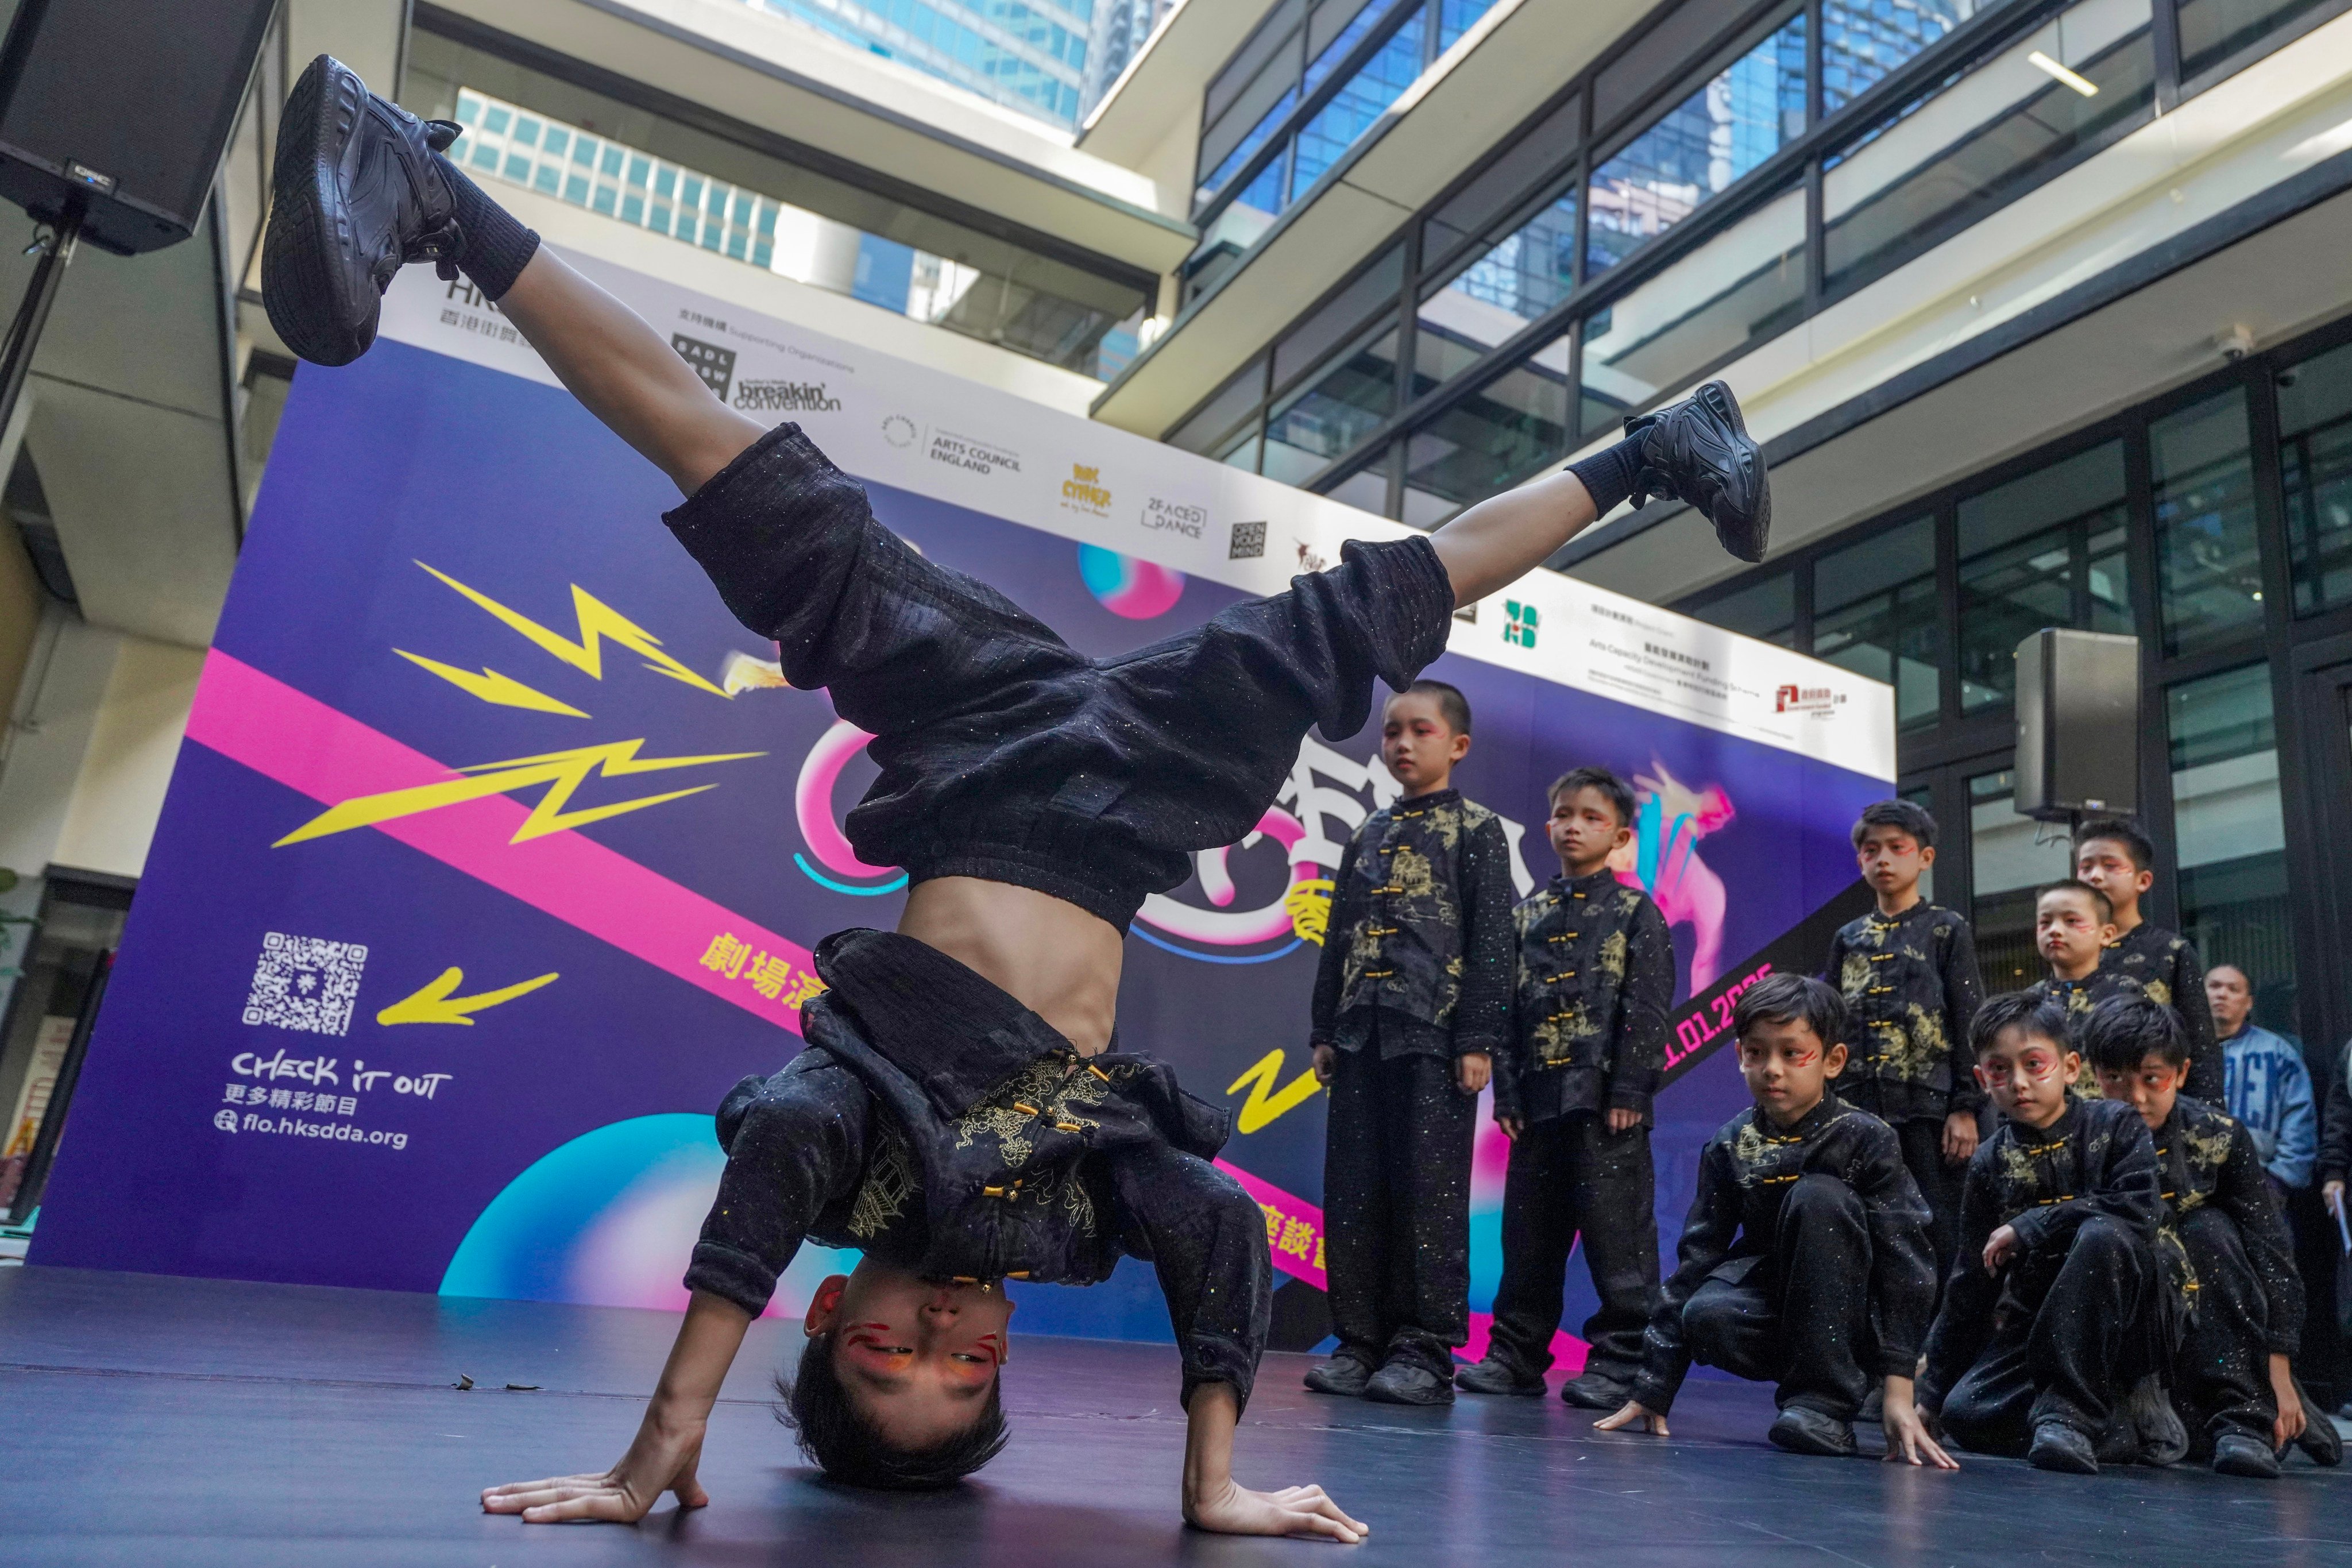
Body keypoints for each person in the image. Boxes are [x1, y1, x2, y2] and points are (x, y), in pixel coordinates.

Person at [263, 56, 1774, 1530]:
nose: (939, 1333)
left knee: (753, 493)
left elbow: (770, 1165)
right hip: (1134, 802)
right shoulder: (1070, 1213)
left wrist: (664, 1435)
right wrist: (1210, 1483)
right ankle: (1656, 449)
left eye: (889, 1357)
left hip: (975, 748)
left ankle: (439, 202)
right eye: (969, 1368)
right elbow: (1216, 1226)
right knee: (1372, 608)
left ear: (828, 1316)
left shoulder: (839, 1160)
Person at [1593, 973, 1951, 1466]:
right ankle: (1810, 1391)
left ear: (1832, 1060)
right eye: (1756, 1053)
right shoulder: (1729, 1144)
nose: (1771, 1070)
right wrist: (1654, 1386)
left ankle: (1824, 1405)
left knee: (1818, 1196)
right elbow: (1697, 1260)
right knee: (1706, 1313)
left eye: (1792, 1053)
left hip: (1857, 1318)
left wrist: (1899, 1389)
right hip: (1780, 1308)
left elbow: (1905, 1265)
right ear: (1739, 1055)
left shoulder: (1866, 1138)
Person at [1302, 681, 1515, 1406]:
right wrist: (1324, 1028)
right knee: (1355, 1191)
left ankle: (1424, 1350)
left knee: (1430, 1194)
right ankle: (1359, 1341)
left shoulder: (1478, 830)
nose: (1401, 743)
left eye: (1420, 731)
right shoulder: (1366, 833)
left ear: (1457, 745)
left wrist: (1477, 1037)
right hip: (1360, 1035)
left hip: (1435, 1038)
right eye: (1392, 731)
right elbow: (1339, 936)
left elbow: (1493, 941)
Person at [1455, 767, 1670, 1409]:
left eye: (1592, 818)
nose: (1574, 826)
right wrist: (1509, 1095)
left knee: (1618, 1240)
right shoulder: (1524, 917)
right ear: (1549, 824)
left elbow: (1647, 1009)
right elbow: (1503, 1014)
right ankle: (1515, 1356)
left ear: (1621, 837)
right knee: (1528, 1240)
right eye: (1564, 814)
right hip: (1536, 1108)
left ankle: (1624, 1363)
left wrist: (1630, 1091)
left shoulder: (1636, 913)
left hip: (1607, 1109)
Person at [2082, 993, 2339, 1476]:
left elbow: (2270, 1249)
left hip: (2210, 1313)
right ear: (2094, 1075)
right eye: (2115, 1079)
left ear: (2180, 1073)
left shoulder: (2218, 1135)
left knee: (2209, 1227)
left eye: (2152, 1079)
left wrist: (2280, 1371)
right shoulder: (2080, 1133)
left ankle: (2243, 1412)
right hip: (2126, 1314)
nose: (2135, 1097)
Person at [1916, 992, 2162, 1473]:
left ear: (2070, 1068)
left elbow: (2139, 1209)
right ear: (1982, 1081)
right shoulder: (1989, 1160)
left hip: (2122, 1320)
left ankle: (2070, 1418)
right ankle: (2109, 1427)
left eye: (2034, 1065)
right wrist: (1931, 1395)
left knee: (2101, 1235)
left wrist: (2034, 1224)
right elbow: (1970, 1281)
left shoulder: (2114, 1123)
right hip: (2037, 1326)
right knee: (1963, 1413)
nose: (2019, 1082)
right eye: (1999, 1070)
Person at [1820, 799, 1983, 1282]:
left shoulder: (1945, 929)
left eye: (1897, 848)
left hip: (1930, 1109)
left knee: (1940, 1225)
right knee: (1867, 1222)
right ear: (1860, 861)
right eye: (1871, 850)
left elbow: (1969, 1018)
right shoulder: (1847, 937)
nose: (1883, 859)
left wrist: (1965, 1107)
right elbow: (1830, 1026)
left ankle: (1943, 1327)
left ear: (1924, 857)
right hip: (1858, 1105)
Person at [2075, 817, 2222, 1100]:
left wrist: (2206, 1116)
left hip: (2148, 1107)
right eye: (2086, 867)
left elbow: (2201, 1052)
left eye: (2110, 865)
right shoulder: (2070, 950)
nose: (2095, 875)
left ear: (2143, 880)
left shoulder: (2171, 952)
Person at [2210, 964, 2318, 1196]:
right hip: (2195, 1186)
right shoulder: (2180, 1052)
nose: (2222, 994)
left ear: (2249, 1003)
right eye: (2215, 986)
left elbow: (2299, 1119)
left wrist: (2279, 1181)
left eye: (2233, 989)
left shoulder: (2278, 1052)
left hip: (2262, 1182)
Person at [2023, 880, 2138, 1094]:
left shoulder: (2127, 994)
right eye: (2045, 922)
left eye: (2071, 921)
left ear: (2106, 934)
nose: (2055, 930)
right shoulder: (2029, 1002)